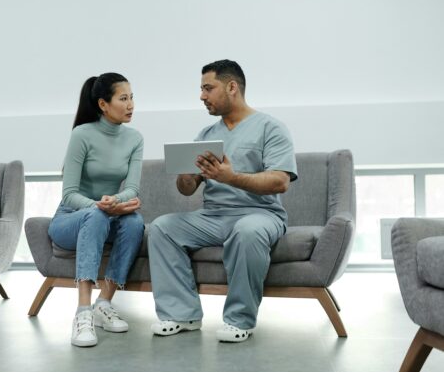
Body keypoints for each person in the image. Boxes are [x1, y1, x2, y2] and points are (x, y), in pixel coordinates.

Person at [148, 60, 297, 343]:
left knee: (247, 231)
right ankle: (182, 314)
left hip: (261, 214)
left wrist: (231, 177)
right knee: (162, 227)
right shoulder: (206, 136)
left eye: (208, 88)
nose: (202, 96)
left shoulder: (271, 128)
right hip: (213, 216)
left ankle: (239, 320)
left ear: (231, 87)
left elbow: (280, 181)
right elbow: (186, 189)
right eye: (201, 89)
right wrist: (187, 178)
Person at [48, 73, 144, 347]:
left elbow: (132, 188)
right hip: (69, 220)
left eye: (132, 97)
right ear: (103, 104)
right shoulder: (82, 135)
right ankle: (82, 313)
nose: (131, 105)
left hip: (107, 213)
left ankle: (104, 303)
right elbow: (69, 195)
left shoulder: (135, 138)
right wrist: (102, 207)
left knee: (135, 222)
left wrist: (117, 204)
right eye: (123, 99)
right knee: (96, 214)